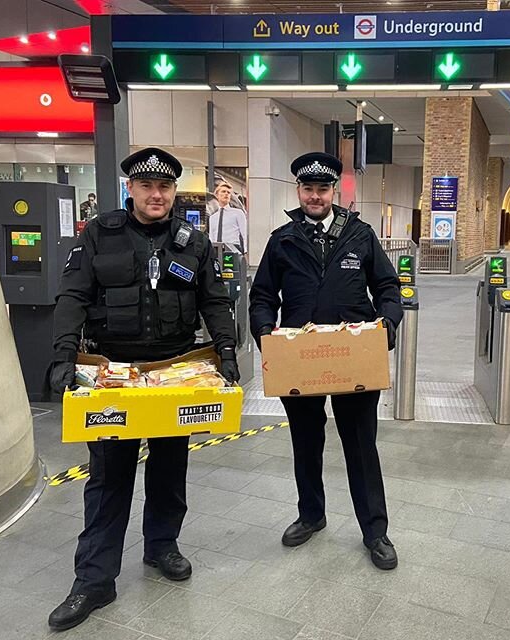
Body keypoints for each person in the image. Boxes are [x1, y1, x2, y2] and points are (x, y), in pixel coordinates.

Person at [47, 147, 239, 631]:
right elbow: (72, 297)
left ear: (174, 191)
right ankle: (94, 580)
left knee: (171, 468)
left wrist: (227, 350)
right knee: (109, 478)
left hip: (175, 372)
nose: (157, 195)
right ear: (130, 188)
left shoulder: (193, 242)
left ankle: (162, 547)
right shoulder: (98, 235)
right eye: (148, 186)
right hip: (114, 374)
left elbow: (214, 301)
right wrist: (63, 355)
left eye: (166, 187)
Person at [249, 152, 403, 571]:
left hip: (354, 357)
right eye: (307, 188)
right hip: (300, 358)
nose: (315, 196)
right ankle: (311, 514)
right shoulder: (282, 240)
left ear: (334, 191)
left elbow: (388, 286)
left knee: (360, 446)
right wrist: (266, 334)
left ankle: (375, 531)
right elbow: (263, 296)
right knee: (306, 443)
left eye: (322, 188)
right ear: (298, 191)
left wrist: (386, 324)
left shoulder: (361, 235)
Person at [207, 182, 248, 255]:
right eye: (223, 191)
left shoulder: (238, 213)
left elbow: (244, 233)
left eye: (228, 192)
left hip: (233, 250)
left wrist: (245, 252)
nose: (226, 194)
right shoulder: (213, 217)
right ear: (217, 195)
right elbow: (211, 237)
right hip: (216, 251)